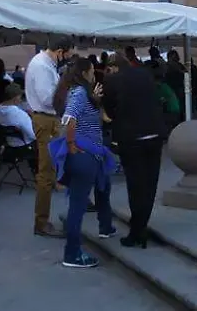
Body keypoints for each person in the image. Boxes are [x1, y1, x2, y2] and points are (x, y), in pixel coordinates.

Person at [50, 57, 113, 268]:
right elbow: (69, 118)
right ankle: (72, 253)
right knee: (77, 207)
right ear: (85, 72)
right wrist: (71, 143)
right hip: (84, 153)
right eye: (92, 71)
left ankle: (95, 234)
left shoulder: (81, 93)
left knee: (81, 202)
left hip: (87, 153)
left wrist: (94, 99)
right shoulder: (78, 93)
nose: (94, 74)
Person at [101, 54, 165, 248]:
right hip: (155, 134)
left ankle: (137, 231)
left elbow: (110, 112)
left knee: (136, 185)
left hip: (131, 138)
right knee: (150, 183)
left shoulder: (111, 81)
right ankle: (141, 226)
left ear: (113, 67)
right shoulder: (145, 75)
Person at [24, 37, 72, 239]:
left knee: (50, 169)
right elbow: (47, 98)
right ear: (60, 51)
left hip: (48, 119)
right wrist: (66, 94)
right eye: (66, 55)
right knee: (46, 172)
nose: (65, 59)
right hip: (46, 119)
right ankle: (41, 222)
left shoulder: (45, 63)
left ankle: (43, 219)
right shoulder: (43, 66)